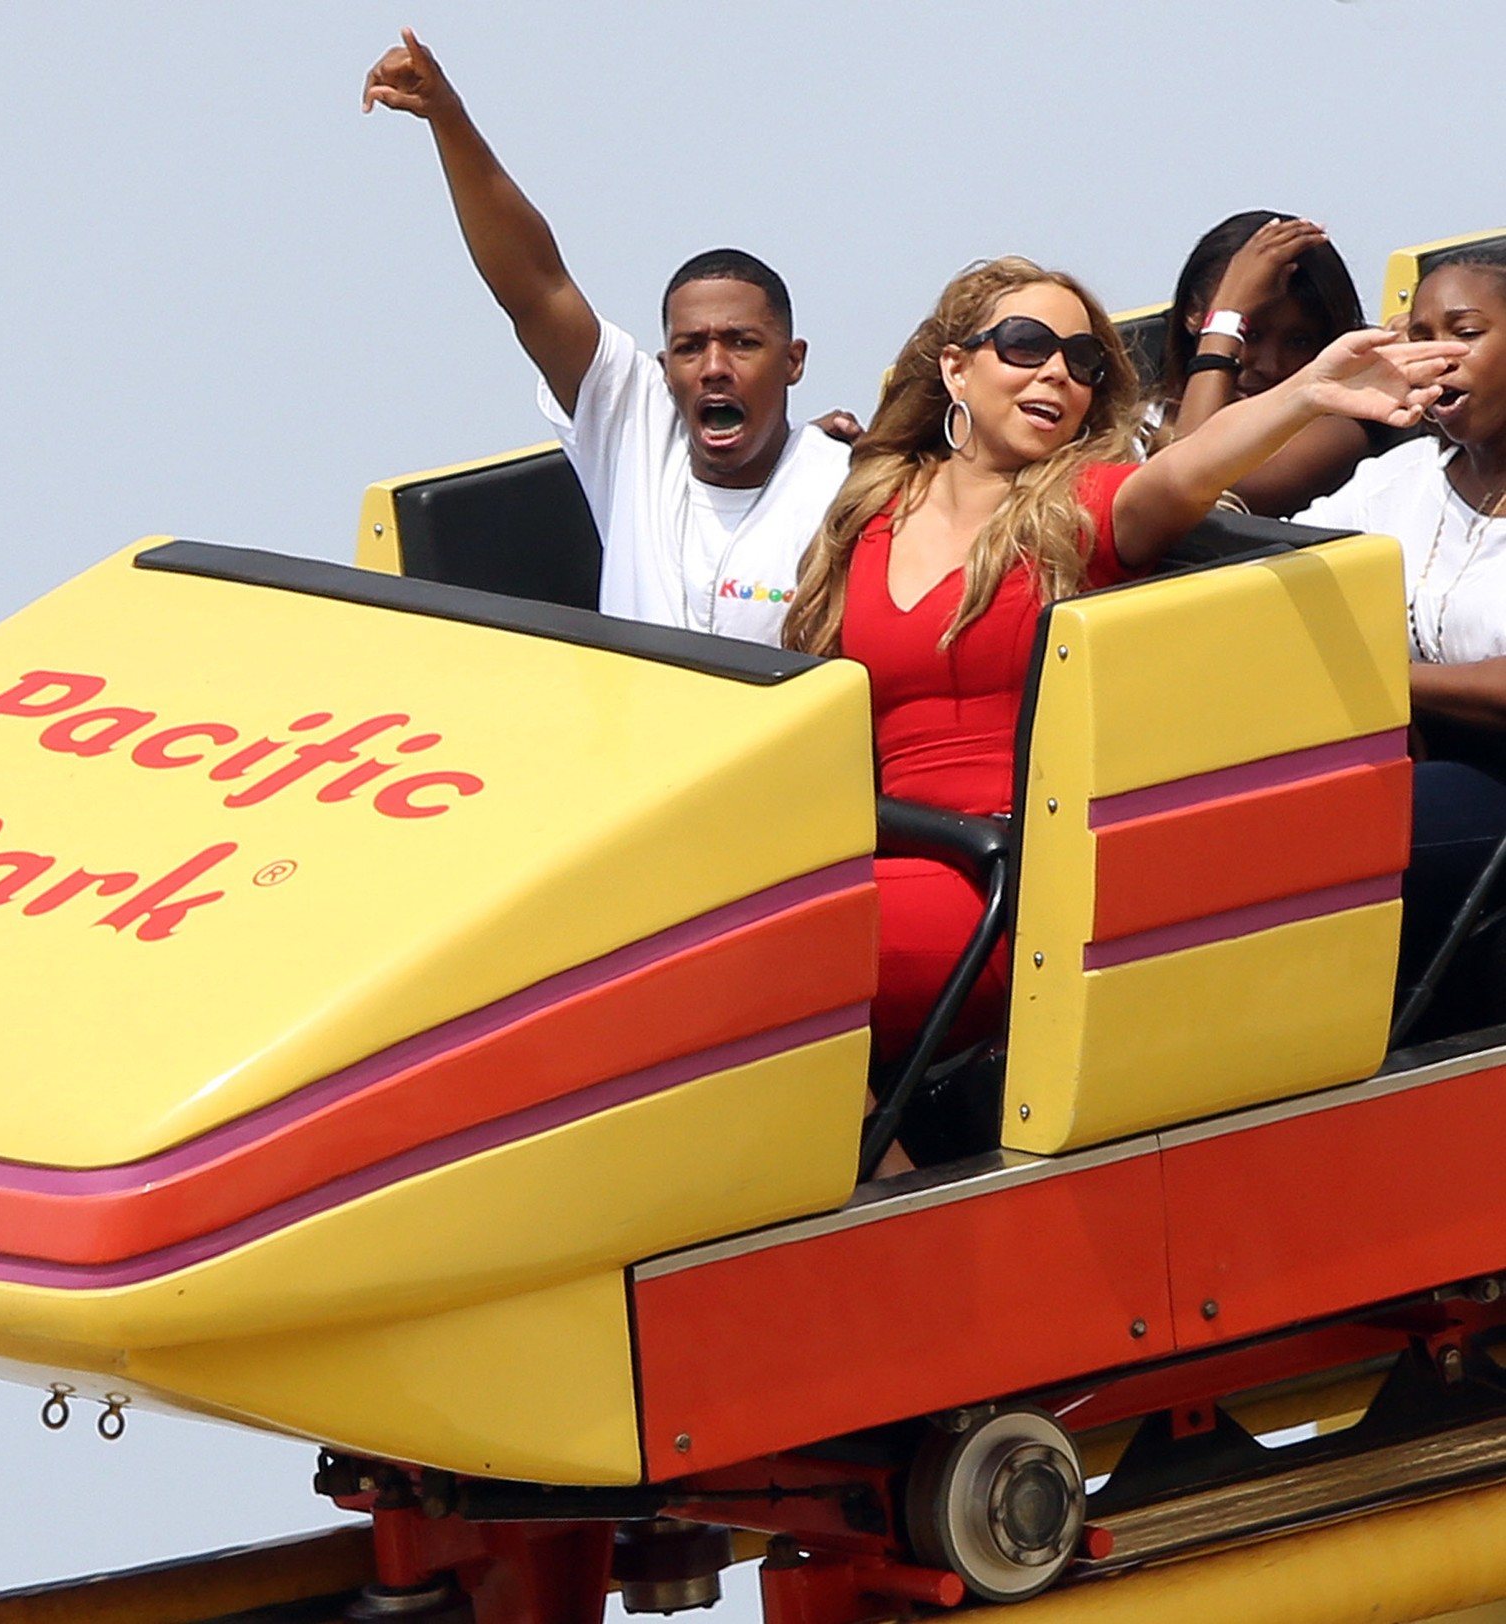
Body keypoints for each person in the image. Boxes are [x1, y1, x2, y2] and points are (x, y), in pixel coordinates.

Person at [783, 256, 1460, 1072]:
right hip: (881, 857)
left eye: (1085, 362)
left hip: (1012, 886)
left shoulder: (1081, 508)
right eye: (1028, 345)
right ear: (956, 367)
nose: (1059, 373)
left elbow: (1186, 471)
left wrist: (1308, 390)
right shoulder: (871, 511)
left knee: (781, 968)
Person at [362, 30, 851, 645]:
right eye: (690, 347)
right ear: (663, 366)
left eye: (743, 343)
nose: (714, 366)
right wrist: (447, 118)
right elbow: (535, 288)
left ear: (794, 361)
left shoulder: (848, 482)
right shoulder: (633, 426)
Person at [1294, 250, 1506, 1008]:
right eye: (1419, 334)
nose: (1438, 353)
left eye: (1466, 331)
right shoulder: (1400, 479)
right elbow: (1256, 565)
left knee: (1338, 834)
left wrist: (1383, 683)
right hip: (1414, 759)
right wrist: (1327, 397)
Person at [1147, 213, 1375, 516]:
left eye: (1299, 341)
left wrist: (1227, 316)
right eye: (1250, 333)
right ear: (1193, 314)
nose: (1270, 364)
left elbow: (1191, 488)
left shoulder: (1334, 435)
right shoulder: (1136, 421)